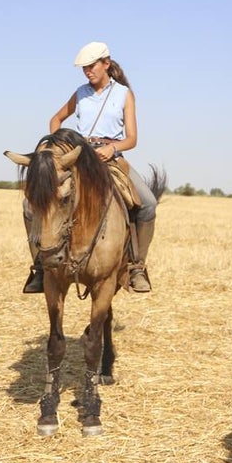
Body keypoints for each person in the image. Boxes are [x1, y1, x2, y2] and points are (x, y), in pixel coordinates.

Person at [22, 41, 157, 294]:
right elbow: (56, 119)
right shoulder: (80, 92)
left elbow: (132, 138)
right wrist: (60, 146)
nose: (87, 71)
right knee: (29, 205)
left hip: (110, 157)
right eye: (84, 68)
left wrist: (113, 148)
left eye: (91, 66)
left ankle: (137, 267)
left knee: (148, 203)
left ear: (106, 63)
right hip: (79, 155)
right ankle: (39, 267)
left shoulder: (124, 94)